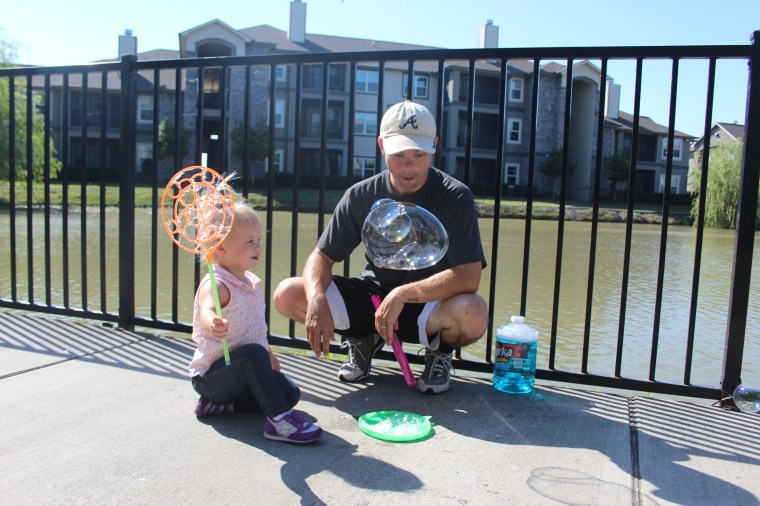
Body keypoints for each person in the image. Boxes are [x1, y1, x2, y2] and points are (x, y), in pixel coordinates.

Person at [274, 100, 488, 395]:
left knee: (473, 313)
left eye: (419, 154)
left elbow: (468, 276)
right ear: (381, 146)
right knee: (287, 294)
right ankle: (362, 338)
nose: (409, 165)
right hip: (372, 299)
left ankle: (439, 352)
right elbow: (321, 257)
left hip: (429, 305)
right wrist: (316, 299)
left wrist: (402, 294)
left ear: (435, 146)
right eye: (399, 154)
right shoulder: (360, 195)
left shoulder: (455, 196)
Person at [189, 202, 322, 444]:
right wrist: (212, 322)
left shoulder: (249, 282)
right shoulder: (217, 283)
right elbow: (206, 310)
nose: (258, 246)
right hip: (213, 379)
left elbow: (252, 329)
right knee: (252, 356)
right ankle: (279, 421)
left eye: (258, 240)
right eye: (249, 241)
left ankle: (221, 407)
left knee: (290, 393)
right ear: (221, 248)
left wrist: (267, 353)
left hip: (239, 375)